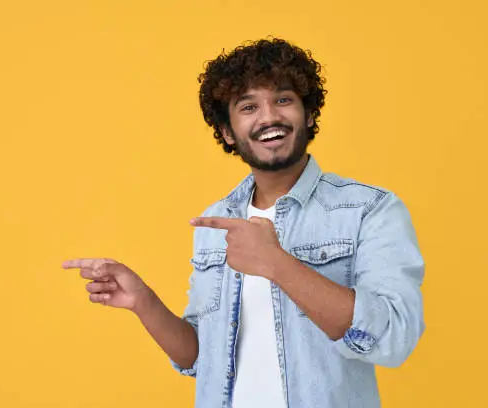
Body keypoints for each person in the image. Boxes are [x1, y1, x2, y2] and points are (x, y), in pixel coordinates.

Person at [62, 38, 425, 408]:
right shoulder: (216, 222)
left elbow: (393, 337)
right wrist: (144, 301)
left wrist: (277, 263)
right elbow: (201, 358)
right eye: (248, 106)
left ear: (309, 113)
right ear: (228, 132)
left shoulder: (369, 209)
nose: (269, 117)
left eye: (283, 99)